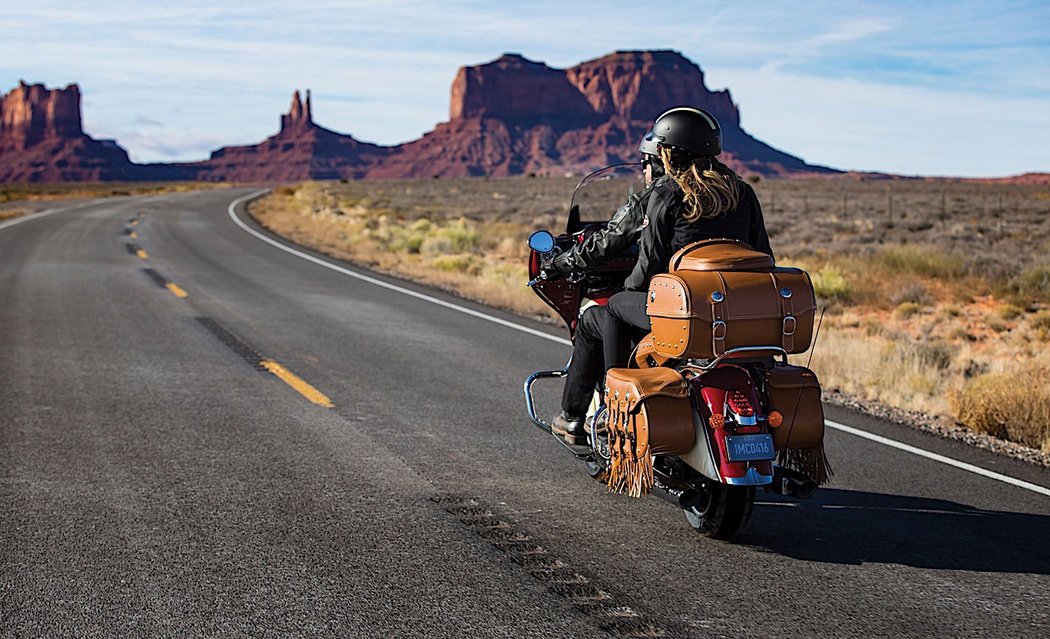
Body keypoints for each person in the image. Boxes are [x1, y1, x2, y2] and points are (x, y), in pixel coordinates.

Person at [603, 107, 773, 372]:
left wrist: (628, 286)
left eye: (661, 149)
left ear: (667, 152)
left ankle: (615, 394)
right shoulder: (743, 191)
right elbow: (764, 255)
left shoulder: (666, 194)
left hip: (685, 310)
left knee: (615, 305)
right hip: (735, 307)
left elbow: (649, 267)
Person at [547, 137, 667, 443]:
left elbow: (609, 245)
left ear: (660, 160)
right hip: (724, 306)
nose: (643, 172)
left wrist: (562, 261)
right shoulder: (739, 194)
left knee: (599, 316)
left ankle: (583, 416)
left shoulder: (658, 196)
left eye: (645, 164)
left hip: (668, 307)